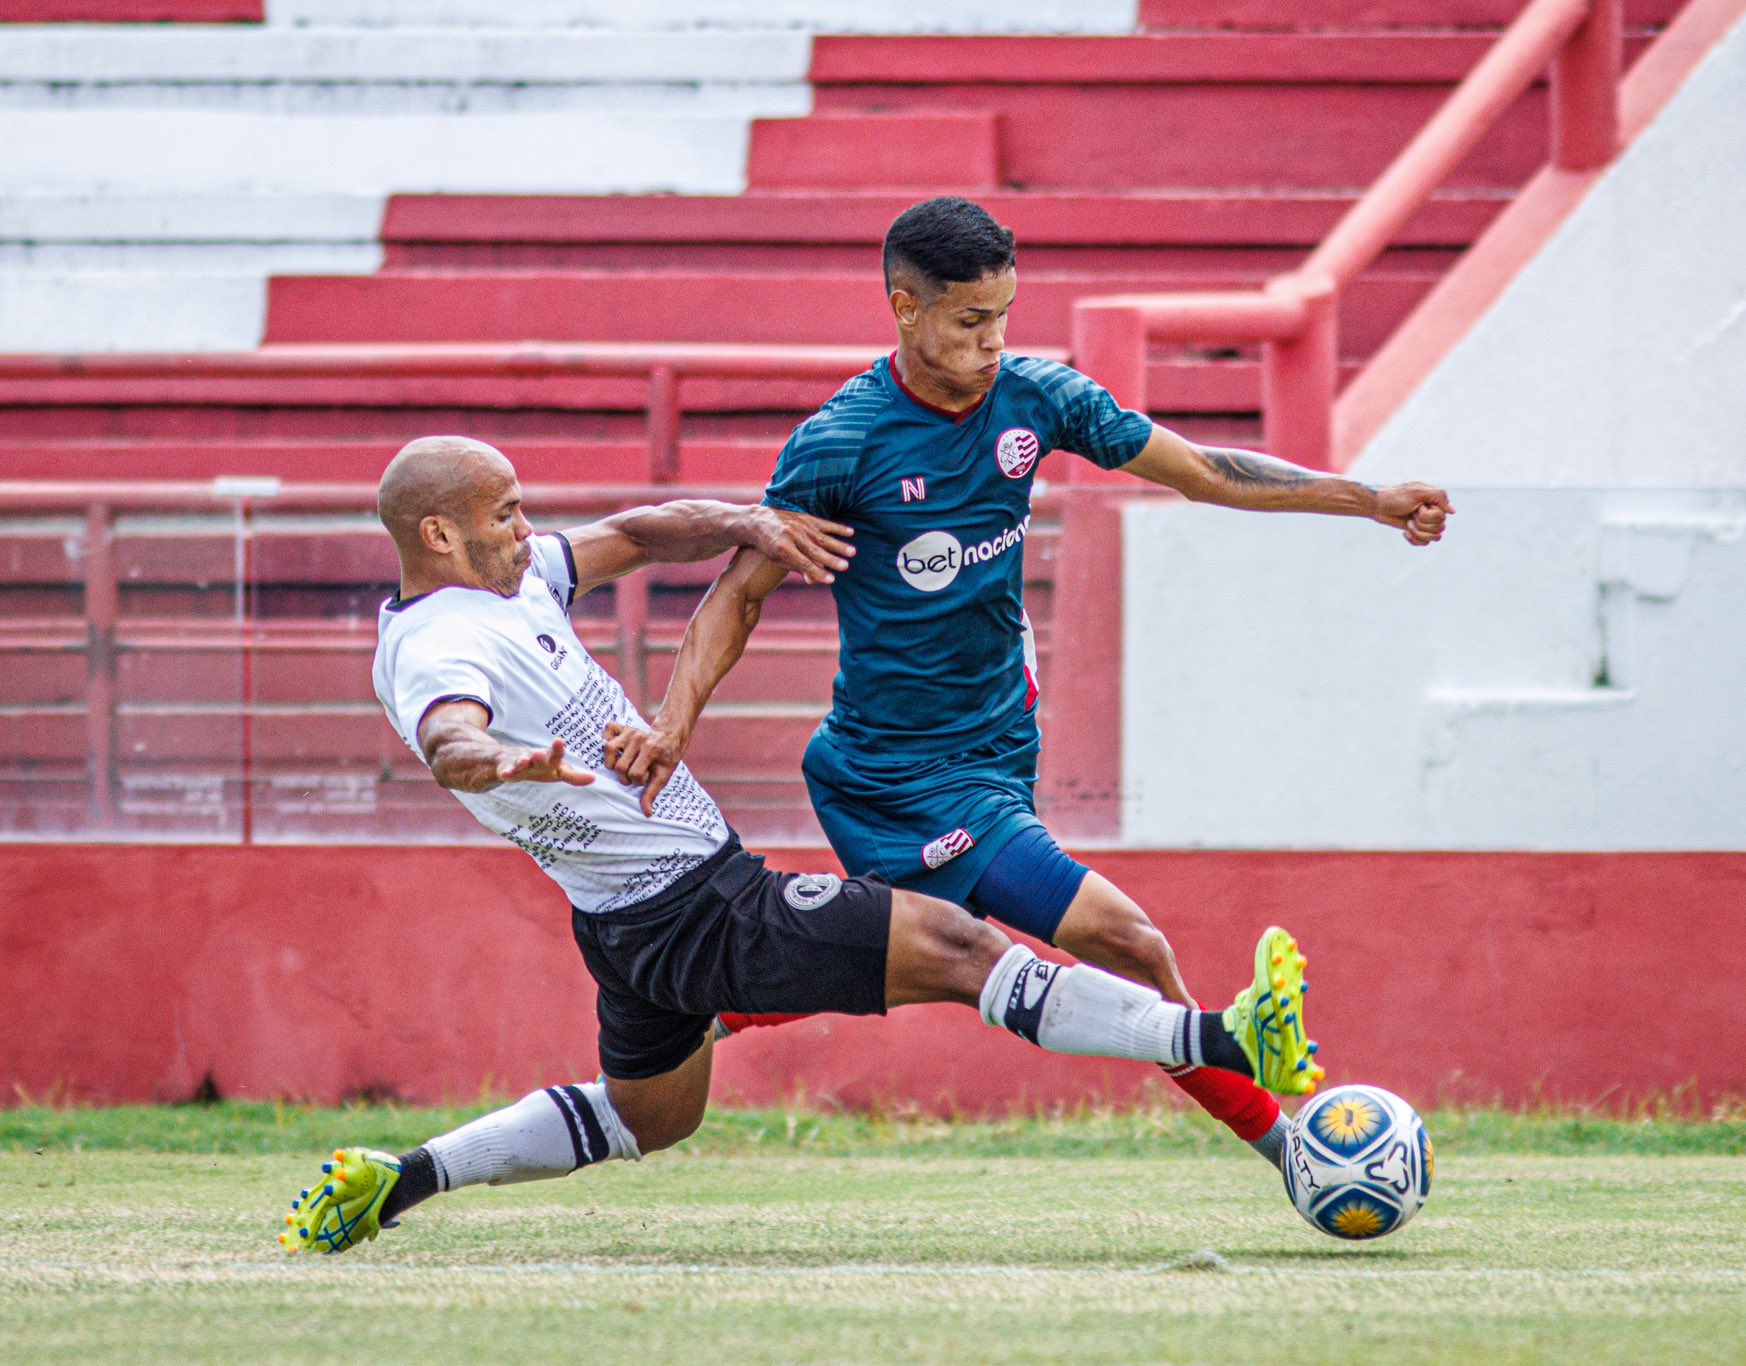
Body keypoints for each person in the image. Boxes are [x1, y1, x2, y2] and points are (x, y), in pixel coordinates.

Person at [280, 434, 1317, 1255]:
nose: (526, 526)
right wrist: (499, 760)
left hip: (628, 928)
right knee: (961, 949)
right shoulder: (435, 642)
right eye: (504, 513)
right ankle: (1225, 1039)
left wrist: (749, 523)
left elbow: (640, 533)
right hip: (692, 903)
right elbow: (447, 736)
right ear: (439, 534)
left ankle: (396, 1178)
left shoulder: (511, 585)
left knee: (647, 1119)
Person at [601, 197, 1452, 1175]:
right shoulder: (842, 443)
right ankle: (1289, 1149)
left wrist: (1368, 499)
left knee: (912, 956)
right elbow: (735, 597)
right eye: (970, 320)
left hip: (996, 749)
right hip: (891, 773)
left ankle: (704, 1002)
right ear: (904, 308)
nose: (992, 339)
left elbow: (1203, 471)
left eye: (1004, 313)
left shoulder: (1037, 398)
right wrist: (671, 722)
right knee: (1125, 940)